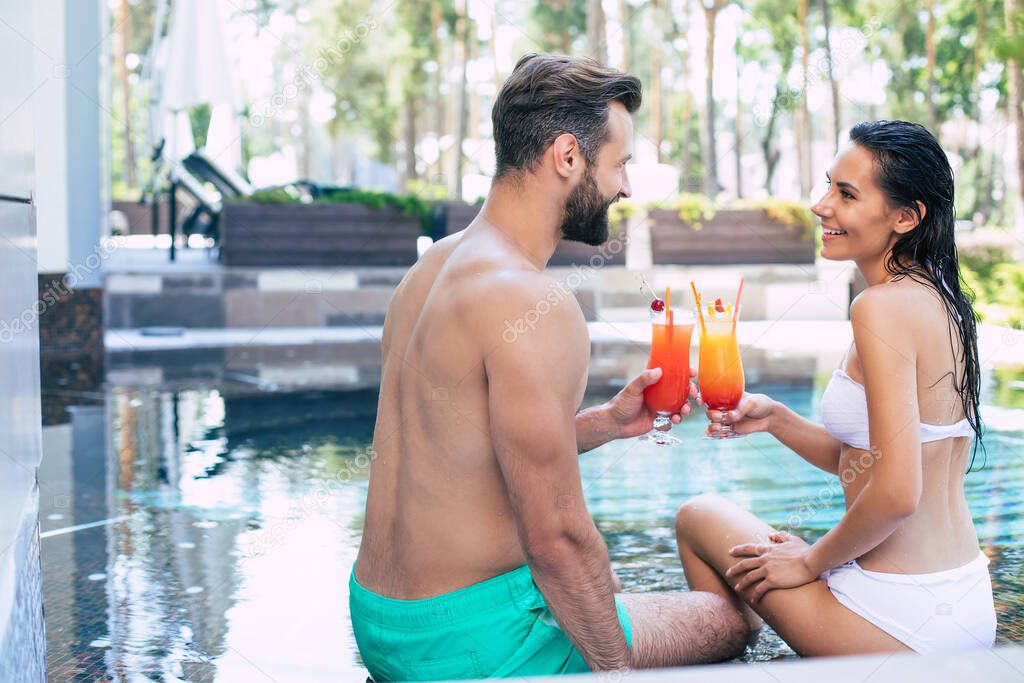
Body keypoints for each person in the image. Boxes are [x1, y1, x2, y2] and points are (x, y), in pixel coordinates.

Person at [349, 53, 748, 681]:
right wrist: (616, 672)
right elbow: (557, 539)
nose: (626, 188)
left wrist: (606, 424)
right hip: (472, 642)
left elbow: (458, 446)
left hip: (381, 622)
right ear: (568, 156)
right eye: (620, 165)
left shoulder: (428, 273)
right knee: (727, 620)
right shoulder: (534, 302)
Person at [676, 120, 997, 656]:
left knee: (696, 516)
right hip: (963, 601)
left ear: (905, 216)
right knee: (751, 550)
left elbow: (897, 494)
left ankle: (732, 656)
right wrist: (778, 419)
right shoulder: (943, 301)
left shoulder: (878, 308)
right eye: (829, 186)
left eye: (846, 194)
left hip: (899, 619)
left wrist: (809, 562)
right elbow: (873, 462)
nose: (822, 205)